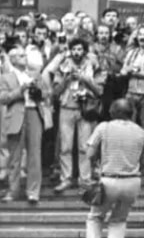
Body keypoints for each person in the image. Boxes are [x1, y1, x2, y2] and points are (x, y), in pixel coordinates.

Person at [79, 98, 144, 238]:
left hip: (108, 180)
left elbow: (89, 153)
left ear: (112, 112)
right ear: (131, 113)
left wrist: (98, 162)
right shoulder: (141, 132)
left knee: (95, 217)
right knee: (119, 219)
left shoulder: (104, 127)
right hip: (132, 182)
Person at [45, 38, 102, 193]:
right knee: (65, 147)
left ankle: (85, 179)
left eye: (80, 49)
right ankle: (66, 179)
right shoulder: (62, 66)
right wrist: (67, 79)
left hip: (85, 110)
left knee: (85, 146)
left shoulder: (93, 65)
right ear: (70, 50)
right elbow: (55, 92)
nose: (77, 52)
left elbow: (100, 91)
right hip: (66, 108)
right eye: (74, 49)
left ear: (84, 50)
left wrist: (85, 79)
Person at [0, 45, 50, 204]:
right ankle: (13, 190)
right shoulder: (5, 77)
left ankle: (33, 192)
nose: (25, 58)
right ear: (13, 59)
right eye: (21, 56)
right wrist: (21, 89)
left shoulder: (35, 74)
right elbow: (3, 98)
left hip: (34, 112)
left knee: (35, 154)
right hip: (16, 116)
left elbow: (47, 94)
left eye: (25, 55)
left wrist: (38, 92)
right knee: (15, 157)